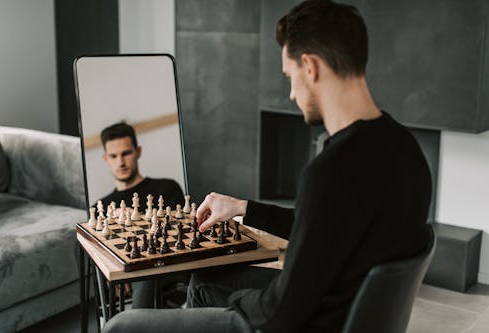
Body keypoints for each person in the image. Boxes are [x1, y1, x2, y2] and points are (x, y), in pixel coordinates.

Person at [102, 1, 431, 332]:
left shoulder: (330, 172)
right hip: (344, 310)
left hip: (306, 323)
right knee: (204, 280)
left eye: (290, 76)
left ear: (311, 67)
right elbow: (320, 226)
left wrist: (236, 301)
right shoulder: (404, 149)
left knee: (123, 326)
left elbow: (279, 312)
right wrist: (243, 208)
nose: (291, 94)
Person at [98, 122, 186, 308]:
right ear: (105, 159)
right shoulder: (101, 208)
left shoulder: (166, 188)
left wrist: (140, 219)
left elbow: (179, 234)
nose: (120, 162)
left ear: (138, 151)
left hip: (165, 269)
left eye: (126, 153)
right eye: (113, 156)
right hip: (122, 280)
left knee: (146, 270)